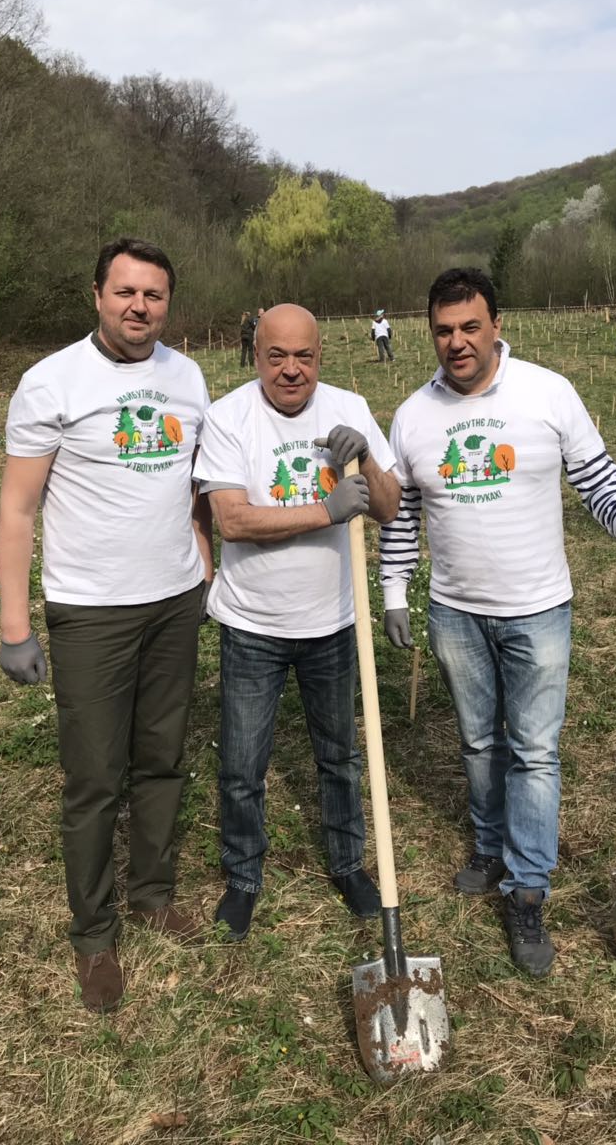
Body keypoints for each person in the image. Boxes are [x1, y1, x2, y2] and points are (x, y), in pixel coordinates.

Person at [378, 268, 616, 978]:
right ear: (431, 334)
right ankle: (487, 845)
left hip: (538, 609)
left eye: (470, 327)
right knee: (478, 743)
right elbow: (405, 511)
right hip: (454, 610)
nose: (457, 343)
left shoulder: (548, 393)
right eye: (443, 331)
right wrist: (393, 588)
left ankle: (528, 888)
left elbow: (597, 478)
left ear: (496, 324)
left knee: (533, 751)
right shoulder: (414, 414)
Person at [0, 236, 213, 1013]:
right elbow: (19, 507)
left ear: (167, 305)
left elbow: (195, 485)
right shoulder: (51, 382)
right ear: (97, 295)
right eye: (125, 292)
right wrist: (15, 623)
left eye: (153, 296)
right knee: (94, 779)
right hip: (91, 611)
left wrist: (202, 559)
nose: (138, 307)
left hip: (175, 602)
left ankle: (152, 894)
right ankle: (94, 934)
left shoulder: (187, 378)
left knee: (162, 758)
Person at [194, 304, 401, 942]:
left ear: (321, 357)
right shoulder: (228, 417)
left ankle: (347, 863)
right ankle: (243, 877)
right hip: (251, 622)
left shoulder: (350, 407)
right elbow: (234, 521)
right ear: (256, 357)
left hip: (334, 622)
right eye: (276, 357)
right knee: (242, 763)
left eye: (303, 357)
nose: (291, 371)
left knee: (339, 757)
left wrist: (364, 459)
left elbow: (390, 508)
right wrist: (327, 509)